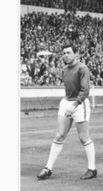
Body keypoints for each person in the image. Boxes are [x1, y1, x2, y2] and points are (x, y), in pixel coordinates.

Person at [36, 43, 97, 180]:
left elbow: (85, 91)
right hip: (66, 102)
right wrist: (43, 62)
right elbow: (54, 72)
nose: (65, 55)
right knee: (59, 135)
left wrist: (75, 104)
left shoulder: (83, 68)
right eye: (64, 53)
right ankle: (48, 168)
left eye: (69, 52)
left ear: (76, 54)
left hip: (80, 104)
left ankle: (92, 169)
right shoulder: (64, 69)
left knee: (83, 137)